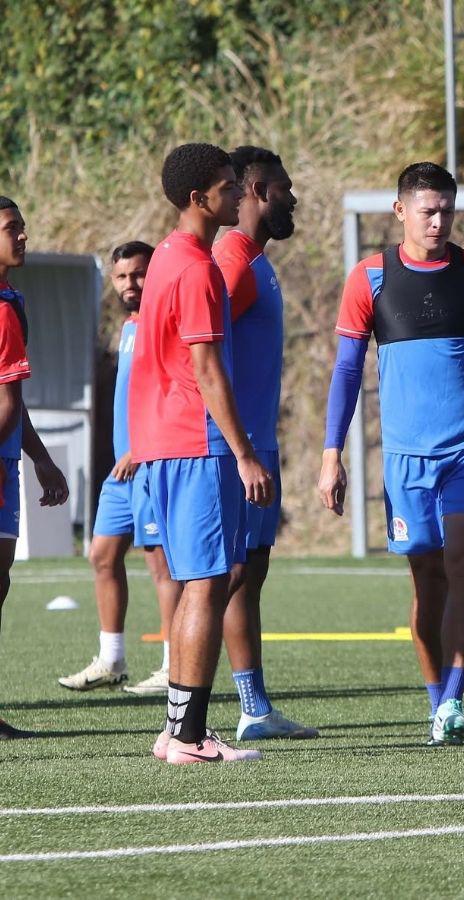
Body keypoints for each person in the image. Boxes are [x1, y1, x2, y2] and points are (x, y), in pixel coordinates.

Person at [319, 162, 464, 745]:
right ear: (400, 211)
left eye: (447, 211)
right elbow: (348, 371)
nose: (438, 221)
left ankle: (455, 696)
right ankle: (438, 705)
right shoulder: (370, 278)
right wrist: (332, 453)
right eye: (427, 210)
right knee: (426, 579)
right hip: (407, 457)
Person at [130, 143, 275, 765]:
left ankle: (177, 732)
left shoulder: (167, 254)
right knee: (206, 583)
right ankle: (189, 736)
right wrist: (243, 453)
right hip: (197, 441)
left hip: (166, 440)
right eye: (225, 187)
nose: (237, 195)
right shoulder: (195, 267)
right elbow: (207, 367)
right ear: (198, 198)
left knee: (201, 581)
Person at [212, 145, 317, 740]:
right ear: (254, 192)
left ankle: (253, 707)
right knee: (221, 576)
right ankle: (187, 706)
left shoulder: (257, 260)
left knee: (248, 572)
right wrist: (239, 447)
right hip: (234, 447)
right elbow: (200, 353)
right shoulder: (233, 259)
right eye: (283, 187)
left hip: (255, 443)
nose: (292, 197)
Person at [58, 242, 181, 695]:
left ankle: (174, 666)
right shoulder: (129, 326)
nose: (131, 284)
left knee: (160, 566)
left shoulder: (164, 322)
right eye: (122, 277)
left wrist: (141, 447)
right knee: (102, 555)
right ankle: (112, 659)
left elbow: (175, 392)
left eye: (140, 274)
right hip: (121, 471)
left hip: (150, 463)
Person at [0, 197, 71, 739]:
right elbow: (6, 406)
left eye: (23, 225)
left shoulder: (12, 301)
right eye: (10, 228)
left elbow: (10, 404)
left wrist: (42, 458)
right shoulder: (4, 310)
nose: (21, 235)